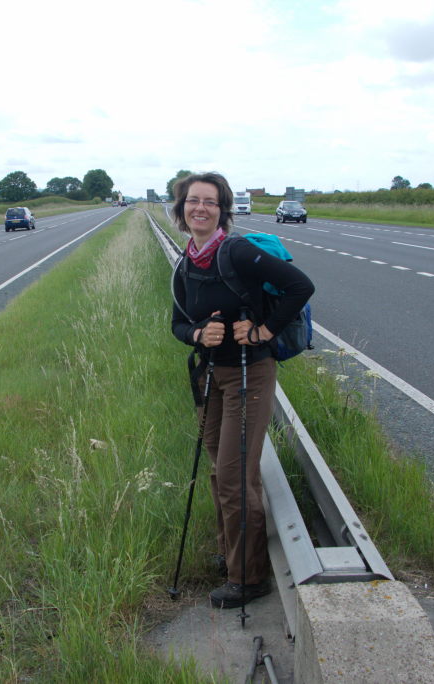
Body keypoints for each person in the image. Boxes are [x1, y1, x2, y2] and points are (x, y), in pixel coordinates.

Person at [170, 172, 315, 609]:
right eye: (192, 201)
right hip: (210, 378)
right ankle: (231, 554)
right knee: (222, 471)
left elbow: (300, 286)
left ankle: (249, 578)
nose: (200, 208)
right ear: (180, 210)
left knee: (235, 476)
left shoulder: (236, 252)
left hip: (250, 375)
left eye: (210, 202)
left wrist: (263, 330)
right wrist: (199, 336)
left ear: (222, 210)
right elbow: (177, 323)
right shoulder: (186, 263)